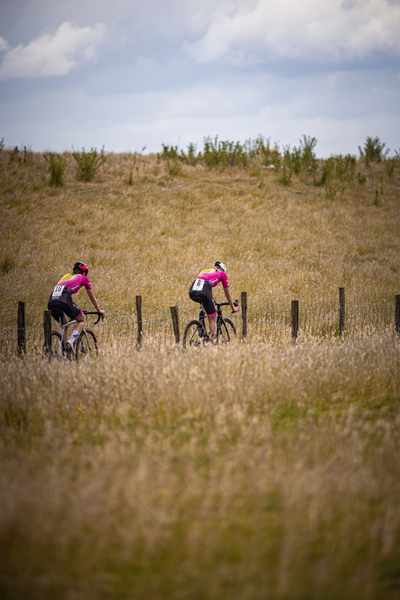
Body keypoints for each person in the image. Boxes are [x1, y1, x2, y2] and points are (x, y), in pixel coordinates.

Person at [48, 261, 104, 353]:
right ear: (84, 273)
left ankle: (62, 353)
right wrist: (98, 309)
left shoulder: (66, 276)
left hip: (51, 301)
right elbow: (92, 298)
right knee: (82, 319)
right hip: (64, 300)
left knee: (64, 324)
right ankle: (71, 341)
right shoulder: (84, 278)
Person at [189, 261, 239, 342]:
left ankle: (201, 332)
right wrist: (233, 307)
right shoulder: (222, 274)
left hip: (192, 290)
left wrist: (203, 307)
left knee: (205, 309)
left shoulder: (204, 271)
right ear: (223, 270)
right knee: (213, 318)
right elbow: (228, 294)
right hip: (204, 288)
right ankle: (212, 344)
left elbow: (201, 288)